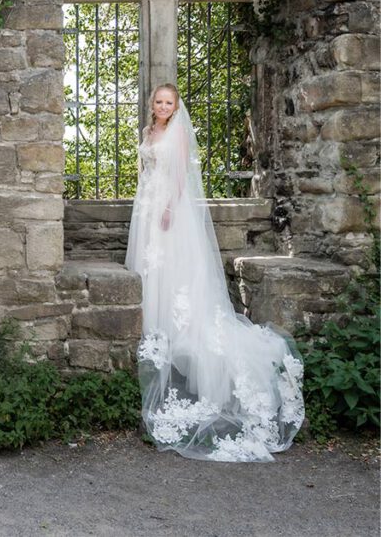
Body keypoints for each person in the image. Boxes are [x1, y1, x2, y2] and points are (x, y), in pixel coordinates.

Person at [125, 84, 303, 462]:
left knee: (174, 274)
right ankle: (156, 333)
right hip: (147, 205)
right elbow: (148, 170)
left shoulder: (178, 134)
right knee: (150, 269)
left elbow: (180, 178)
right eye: (158, 101)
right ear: (152, 105)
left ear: (176, 107)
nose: (162, 106)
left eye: (168, 102)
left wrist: (170, 207)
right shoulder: (148, 131)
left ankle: (181, 340)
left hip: (170, 208)